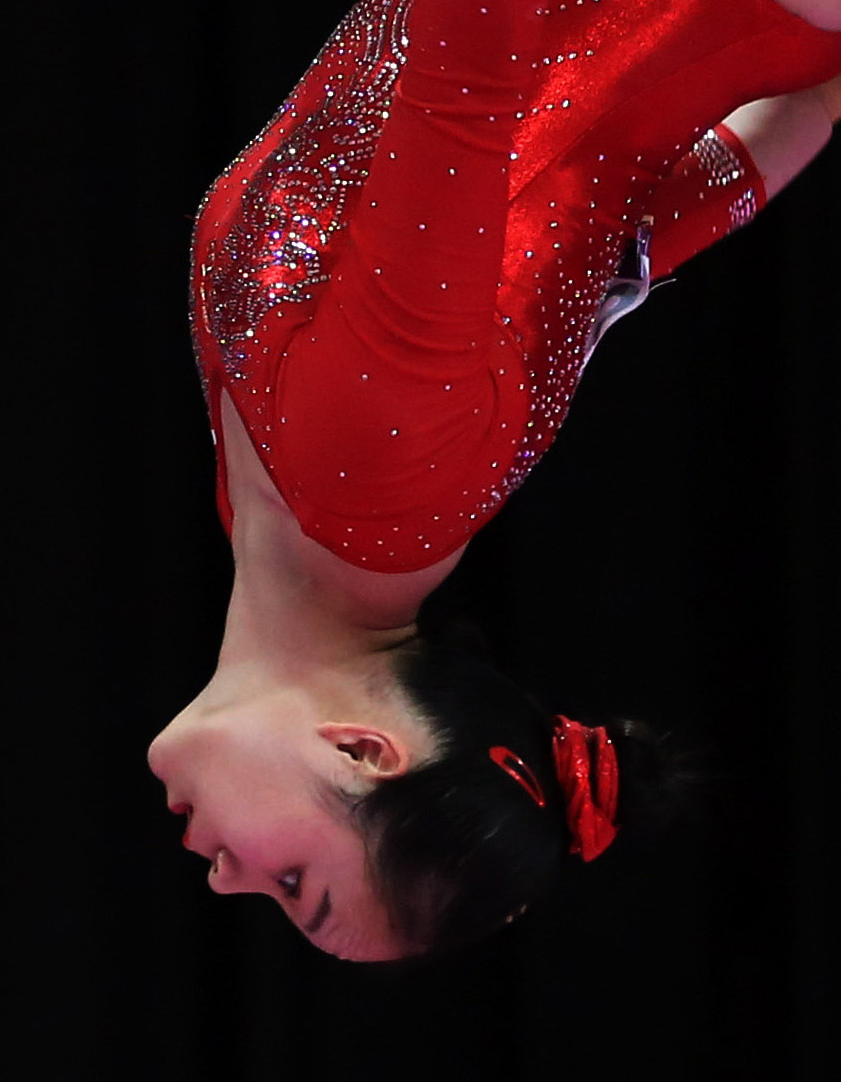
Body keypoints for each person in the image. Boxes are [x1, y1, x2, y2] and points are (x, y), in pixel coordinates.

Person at [146, 0, 841, 960]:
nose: (225, 877)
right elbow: (473, 56)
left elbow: (595, 226)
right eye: (296, 884)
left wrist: (807, 98)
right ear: (362, 751)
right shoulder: (376, 481)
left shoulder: (291, 520)